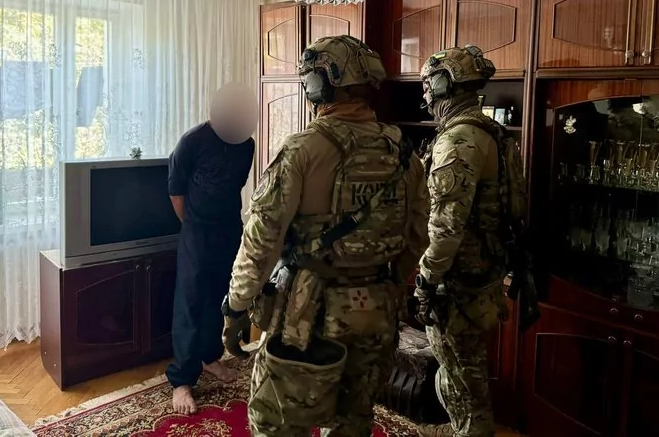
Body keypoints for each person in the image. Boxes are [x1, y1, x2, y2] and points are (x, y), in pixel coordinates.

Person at [220, 35, 430, 437]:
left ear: (319, 85)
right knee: (353, 422)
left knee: (278, 423)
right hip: (378, 313)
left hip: (308, 316)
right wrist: (384, 283)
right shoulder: (405, 153)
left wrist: (236, 306)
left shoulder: (302, 149)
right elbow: (418, 234)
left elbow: (261, 242)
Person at [413, 46, 520, 437]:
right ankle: (465, 427)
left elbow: (446, 226)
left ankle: (470, 431)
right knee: (466, 366)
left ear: (445, 85)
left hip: (457, 280)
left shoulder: (458, 141)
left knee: (458, 370)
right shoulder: (491, 132)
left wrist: (425, 280)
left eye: (429, 85)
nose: (425, 95)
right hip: (484, 271)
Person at [166, 83, 258, 414]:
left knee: (221, 297)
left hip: (229, 229)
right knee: (190, 300)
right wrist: (193, 224)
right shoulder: (192, 141)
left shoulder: (246, 144)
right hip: (196, 231)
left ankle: (209, 357)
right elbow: (175, 190)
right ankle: (182, 380)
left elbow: (236, 185)